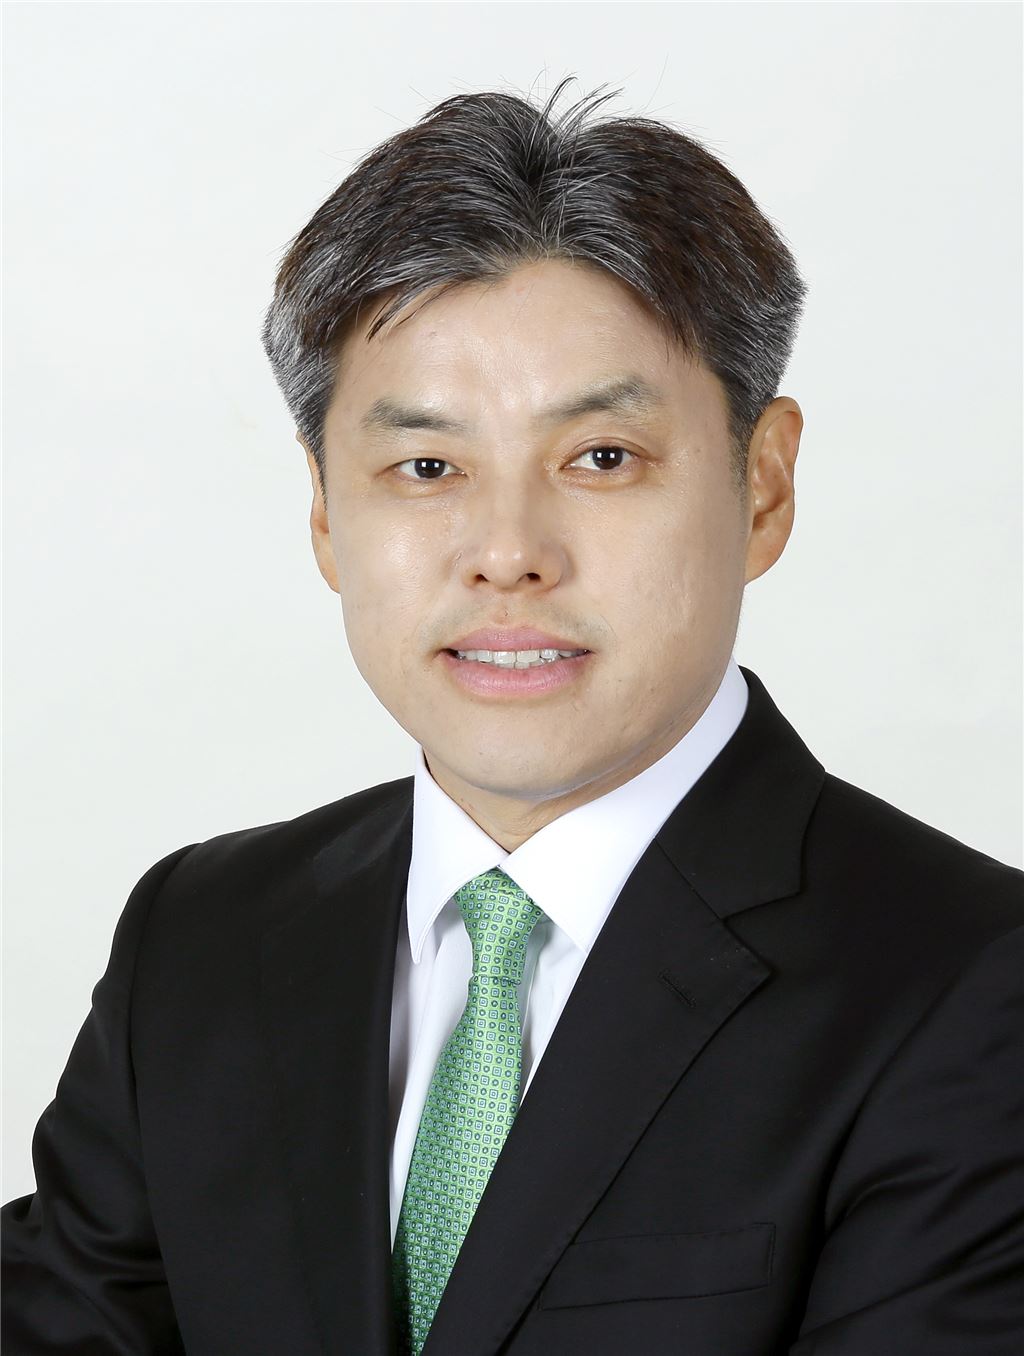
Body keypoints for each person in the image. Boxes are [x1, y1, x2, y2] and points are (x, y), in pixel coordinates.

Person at [3, 76, 1022, 1356]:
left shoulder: (972, 990)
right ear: (325, 513)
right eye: (426, 467)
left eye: (601, 458)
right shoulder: (200, 941)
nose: (506, 553)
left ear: (762, 488)